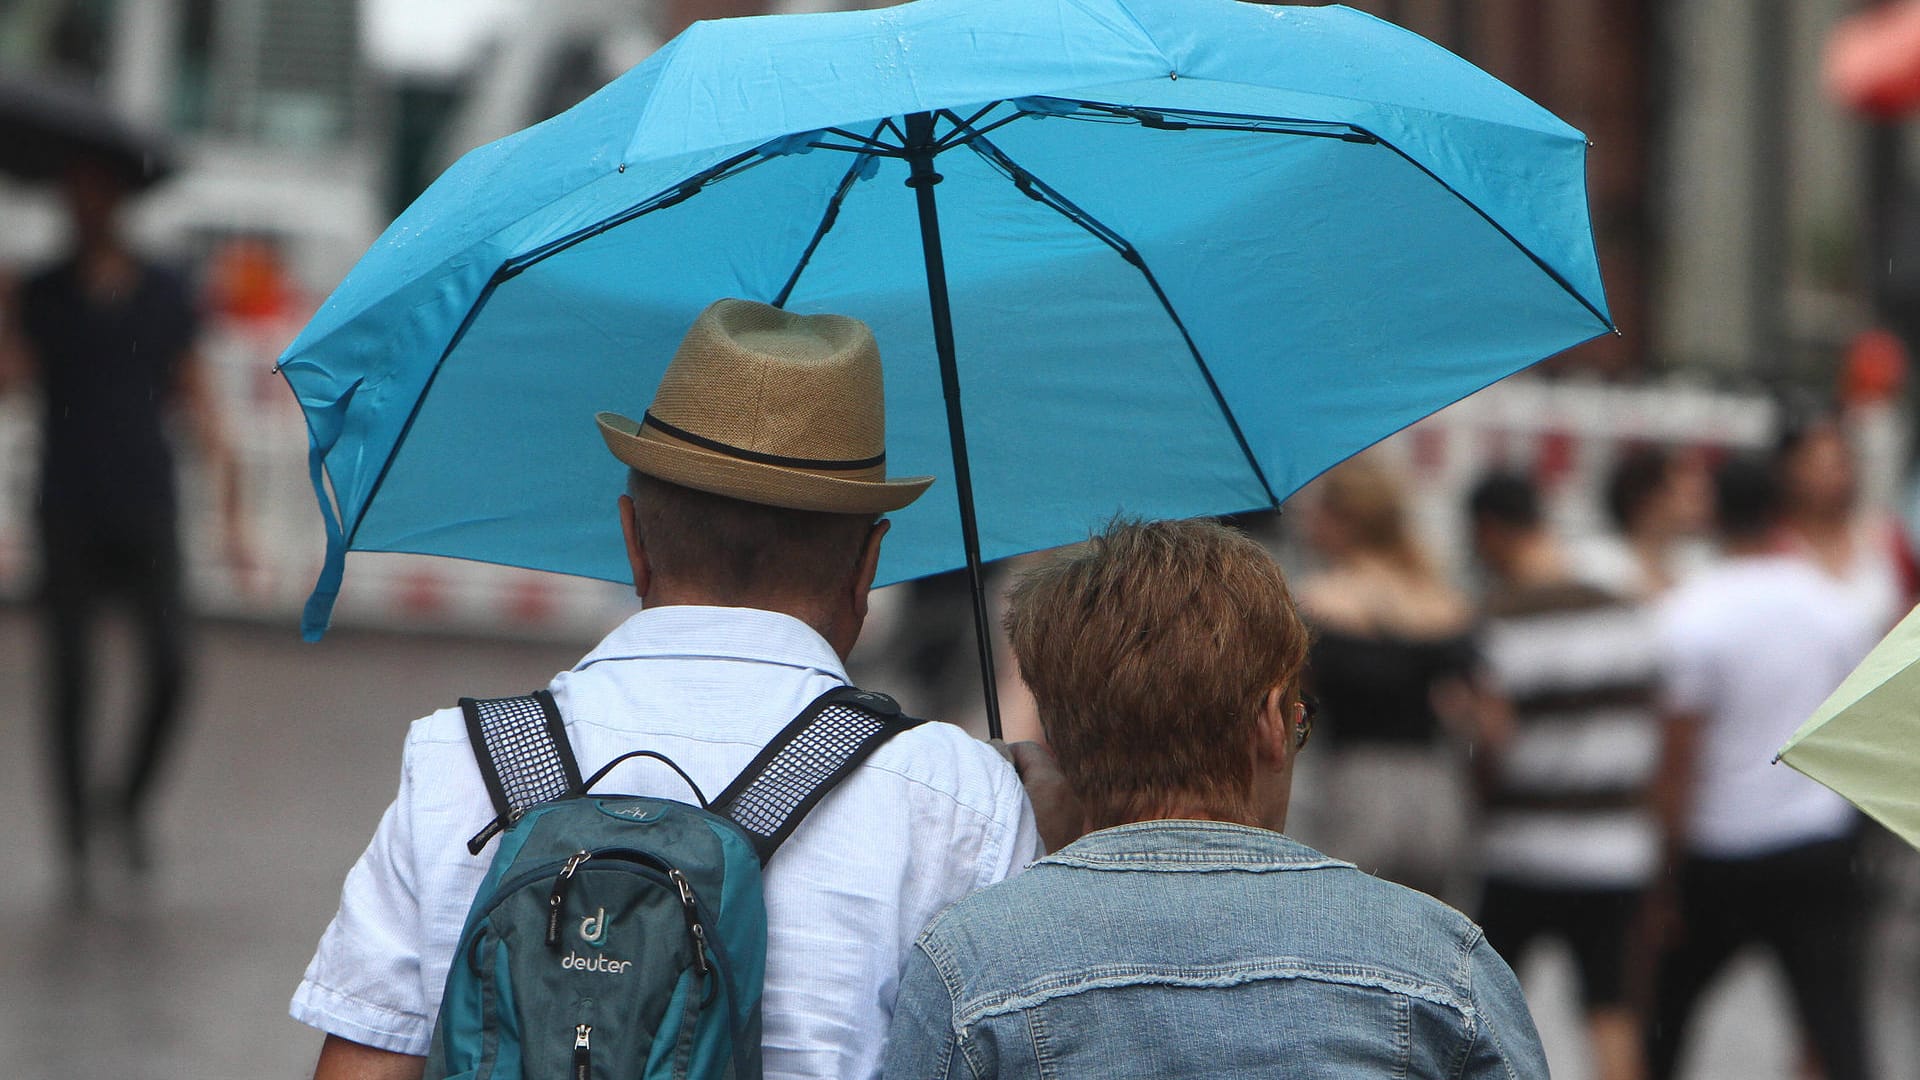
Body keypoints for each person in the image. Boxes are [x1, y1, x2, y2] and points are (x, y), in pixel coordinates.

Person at [293, 299, 1041, 1080]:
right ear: (867, 564)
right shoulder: (956, 797)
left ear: (631, 536)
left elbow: (360, 1067)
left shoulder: (460, 758)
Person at [882, 517, 1548, 1079]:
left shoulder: (970, 963)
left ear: (1059, 733)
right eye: (1298, 718)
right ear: (1267, 721)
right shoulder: (1442, 966)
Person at [0, 155, 244, 889]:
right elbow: (11, 382)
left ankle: (125, 803)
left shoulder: (165, 287)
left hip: (146, 497)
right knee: (70, 680)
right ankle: (76, 841)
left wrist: (232, 501)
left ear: (118, 198)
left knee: (172, 666)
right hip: (67, 501)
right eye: (72, 190)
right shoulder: (40, 289)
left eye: (96, 189)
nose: (84, 203)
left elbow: (196, 391)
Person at [1646, 456, 1878, 1080]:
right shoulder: (1834, 606)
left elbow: (1677, 757)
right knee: (1836, 1027)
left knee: (1664, 1022)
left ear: (1714, 514)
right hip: (1816, 843)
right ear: (1779, 510)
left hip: (1717, 846)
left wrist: (1663, 869)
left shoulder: (1690, 613)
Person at [1467, 470, 1661, 1080]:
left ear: (1488, 532)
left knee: (1481, 1013)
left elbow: (1491, 744)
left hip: (1522, 850)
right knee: (1611, 1011)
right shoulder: (1625, 611)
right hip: (1614, 850)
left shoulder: (1498, 622)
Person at [1294, 455, 1482, 903]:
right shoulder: (1442, 601)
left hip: (1354, 784)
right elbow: (1478, 718)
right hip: (1435, 788)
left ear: (1344, 519)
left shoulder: (1319, 601)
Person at [1574, 445, 1713, 599]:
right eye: (1691, 496)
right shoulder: (1593, 565)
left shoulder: (1699, 565)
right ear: (1648, 498)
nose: (1704, 504)